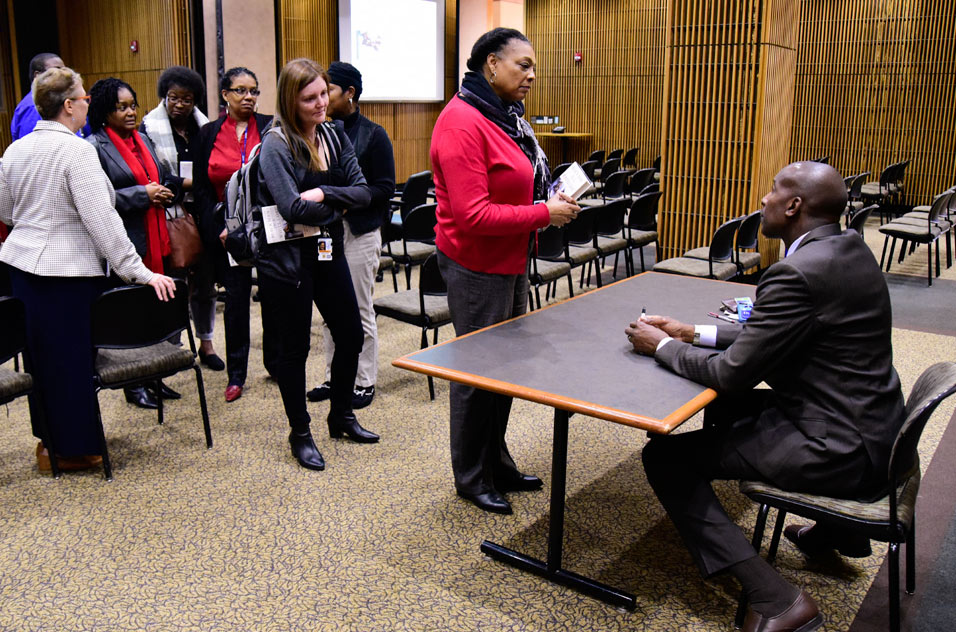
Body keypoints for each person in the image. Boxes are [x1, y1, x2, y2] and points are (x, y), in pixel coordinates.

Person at [625, 161, 905, 632]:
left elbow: (733, 375)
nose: (763, 200)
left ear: (794, 205)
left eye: (773, 191)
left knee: (666, 458)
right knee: (729, 410)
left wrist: (665, 347)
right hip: (877, 428)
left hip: (837, 446)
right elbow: (779, 334)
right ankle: (837, 532)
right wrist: (693, 332)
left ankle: (777, 600)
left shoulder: (795, 272)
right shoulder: (848, 247)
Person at [430, 28, 580, 514]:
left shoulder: (503, 115)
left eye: (533, 66)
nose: (532, 75)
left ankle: (496, 460)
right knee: (477, 375)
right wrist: (544, 214)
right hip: (475, 266)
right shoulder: (461, 122)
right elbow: (474, 214)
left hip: (509, 260)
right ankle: (471, 476)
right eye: (524, 64)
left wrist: (544, 202)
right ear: (491, 64)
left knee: (504, 373)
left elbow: (512, 186)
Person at [0, 66, 176, 473]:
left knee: (41, 362)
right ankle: (76, 449)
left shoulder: (15, 150)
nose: (87, 105)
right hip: (67, 276)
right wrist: (141, 272)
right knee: (72, 363)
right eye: (83, 99)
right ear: (67, 106)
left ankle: (49, 446)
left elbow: (6, 212)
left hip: (24, 271)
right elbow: (104, 222)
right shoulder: (78, 152)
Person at [256, 57, 377, 471]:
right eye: (309, 98)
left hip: (327, 248)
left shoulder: (333, 133)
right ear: (291, 101)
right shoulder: (276, 143)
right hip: (288, 258)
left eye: (324, 93)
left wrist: (325, 197)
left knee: (351, 333)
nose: (321, 103)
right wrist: (338, 202)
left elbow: (364, 192)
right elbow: (289, 207)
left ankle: (341, 415)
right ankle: (300, 432)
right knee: (295, 349)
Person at [87, 77, 183, 410]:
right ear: (104, 111)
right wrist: (143, 194)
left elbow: (161, 172)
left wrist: (164, 187)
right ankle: (132, 383)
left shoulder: (143, 139)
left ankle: (155, 376)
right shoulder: (95, 147)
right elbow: (99, 198)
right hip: (126, 240)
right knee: (131, 315)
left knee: (155, 310)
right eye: (121, 107)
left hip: (157, 235)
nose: (130, 112)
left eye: (132, 105)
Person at [307, 61, 395, 410]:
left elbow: (384, 188)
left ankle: (363, 380)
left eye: (327, 91)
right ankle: (335, 376)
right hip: (326, 231)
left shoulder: (374, 134)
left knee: (359, 308)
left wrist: (341, 200)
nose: (323, 100)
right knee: (330, 309)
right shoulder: (320, 133)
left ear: (350, 93)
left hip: (359, 230)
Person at [193, 67, 276, 403]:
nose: (249, 98)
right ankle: (236, 375)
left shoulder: (271, 127)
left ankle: (275, 362)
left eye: (254, 91)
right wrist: (218, 230)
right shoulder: (208, 133)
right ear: (225, 94)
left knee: (273, 298)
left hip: (269, 228)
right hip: (227, 232)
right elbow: (200, 188)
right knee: (237, 301)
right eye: (240, 90)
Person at [140, 66, 224, 372]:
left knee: (205, 284)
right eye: (173, 97)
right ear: (164, 96)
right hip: (168, 216)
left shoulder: (204, 128)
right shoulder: (148, 129)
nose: (179, 104)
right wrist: (182, 185)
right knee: (174, 285)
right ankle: (171, 347)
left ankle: (207, 344)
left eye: (186, 99)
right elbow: (153, 174)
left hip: (202, 213)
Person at [10, 53, 64, 140]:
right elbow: (32, 147)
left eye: (64, 70)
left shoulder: (52, 101)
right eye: (57, 70)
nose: (63, 74)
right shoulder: (33, 106)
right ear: (37, 75)